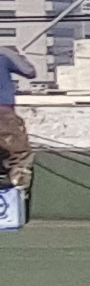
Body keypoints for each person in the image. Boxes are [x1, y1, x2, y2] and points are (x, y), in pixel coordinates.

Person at [0, 35, 38, 204]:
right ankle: (17, 190)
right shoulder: (4, 53)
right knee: (19, 154)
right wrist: (20, 55)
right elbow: (30, 72)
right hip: (3, 112)